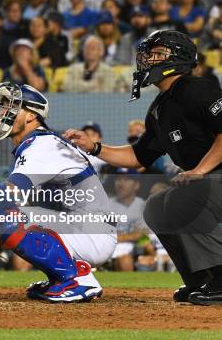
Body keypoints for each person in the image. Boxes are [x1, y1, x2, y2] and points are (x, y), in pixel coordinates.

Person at [64, 29, 222, 305]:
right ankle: (202, 280)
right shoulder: (161, 107)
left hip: (211, 179)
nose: (148, 59)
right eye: (148, 54)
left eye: (157, 53)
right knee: (158, 206)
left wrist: (200, 170)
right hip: (208, 183)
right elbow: (139, 156)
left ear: (179, 57)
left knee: (188, 195)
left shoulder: (197, 88)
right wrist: (95, 147)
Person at [0, 83, 116, 302]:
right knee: (0, 214)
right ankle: (58, 277)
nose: (2, 112)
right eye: (3, 106)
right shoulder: (39, 143)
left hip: (91, 232)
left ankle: (76, 280)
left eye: (11, 106)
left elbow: (8, 194)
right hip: (82, 226)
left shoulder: (43, 144)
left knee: (1, 213)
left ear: (32, 115)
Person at [108, 169, 148, 271]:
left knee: (126, 260)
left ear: (136, 185)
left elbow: (140, 234)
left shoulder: (143, 206)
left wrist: (118, 236)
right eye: (118, 180)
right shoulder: (107, 205)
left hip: (136, 250)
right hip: (109, 250)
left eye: (126, 180)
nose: (121, 184)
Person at [60, 36, 125, 93]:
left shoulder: (108, 71)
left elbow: (107, 91)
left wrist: (80, 86)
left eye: (93, 48)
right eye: (87, 48)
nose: (89, 51)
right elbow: (67, 88)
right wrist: (93, 84)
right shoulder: (73, 69)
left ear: (101, 52)